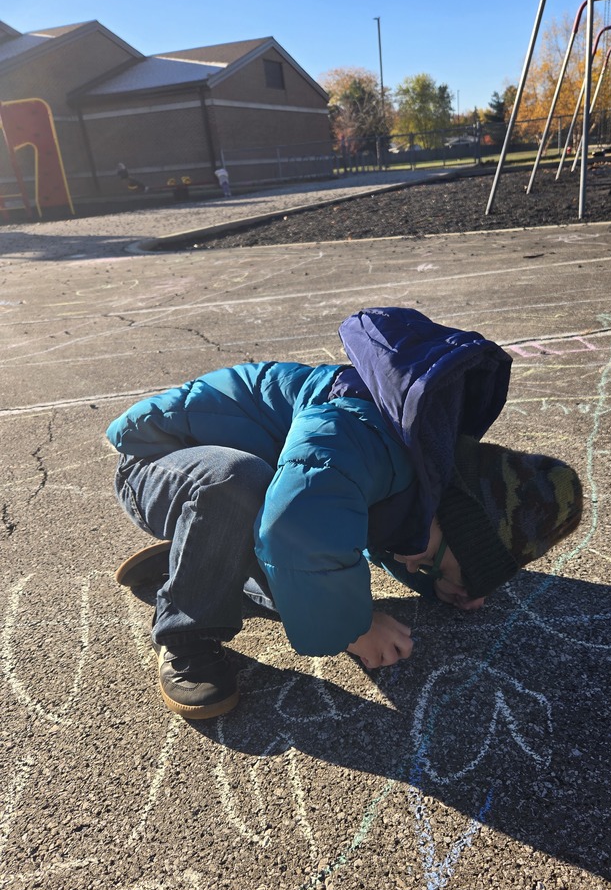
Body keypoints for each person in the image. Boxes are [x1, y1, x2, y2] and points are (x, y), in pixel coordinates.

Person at [107, 307, 582, 720]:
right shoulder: (360, 434)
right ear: (453, 516)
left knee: (298, 543)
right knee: (240, 483)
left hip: (242, 494)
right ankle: (186, 636)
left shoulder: (421, 477)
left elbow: (385, 533)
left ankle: (198, 560)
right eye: (438, 565)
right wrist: (353, 628)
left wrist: (449, 586)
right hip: (156, 463)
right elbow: (298, 525)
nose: (415, 567)